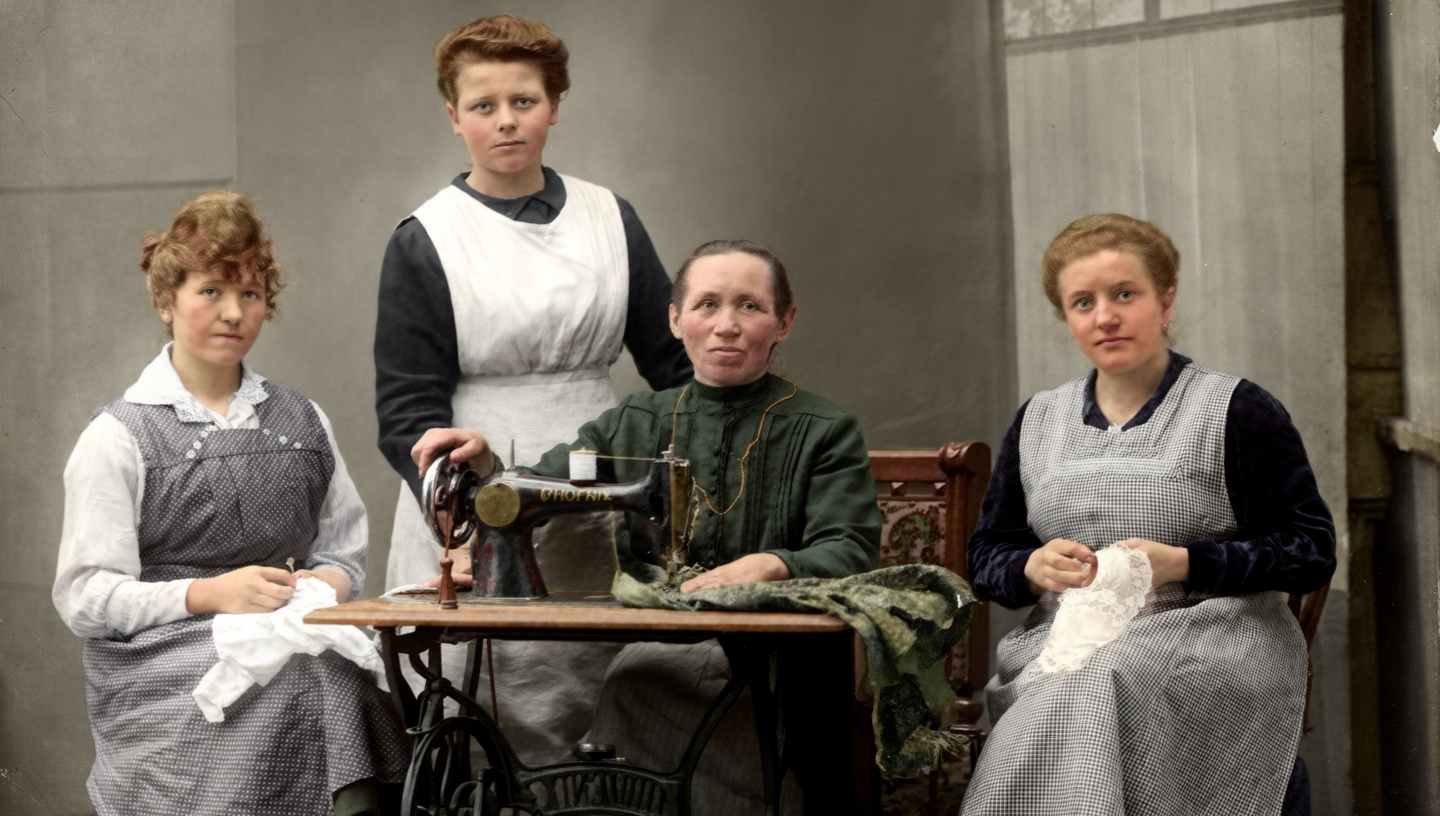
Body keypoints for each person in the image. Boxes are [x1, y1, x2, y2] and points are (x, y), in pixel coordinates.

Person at [414, 239, 882, 813]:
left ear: (784, 323)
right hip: (672, 637)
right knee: (638, 676)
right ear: (676, 320)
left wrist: (773, 564)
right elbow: (539, 482)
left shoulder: (825, 429)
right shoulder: (634, 421)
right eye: (707, 304)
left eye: (750, 306)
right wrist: (488, 468)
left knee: (638, 681)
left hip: (781, 654)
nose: (727, 325)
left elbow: (851, 548)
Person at [373, 13, 691, 764]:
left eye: (524, 101)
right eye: (483, 106)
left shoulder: (611, 218)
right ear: (454, 117)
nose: (506, 121)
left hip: (598, 474)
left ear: (555, 105)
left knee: (607, 686)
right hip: (477, 485)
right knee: (490, 700)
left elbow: (674, 367)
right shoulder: (427, 238)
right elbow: (407, 410)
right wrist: (452, 521)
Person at [960, 214, 1335, 816]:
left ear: (1167, 300)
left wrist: (1185, 562)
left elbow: (1310, 549)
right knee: (1084, 680)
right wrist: (1031, 567)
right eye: (1083, 302)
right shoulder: (1038, 420)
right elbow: (986, 555)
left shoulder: (1235, 408)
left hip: (1214, 637)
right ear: (1066, 317)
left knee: (1102, 678)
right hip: (1067, 641)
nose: (1105, 317)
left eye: (1124, 294)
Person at [53, 192, 409, 816]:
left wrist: (320, 586)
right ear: (166, 300)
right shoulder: (117, 436)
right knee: (309, 678)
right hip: (162, 660)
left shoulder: (302, 420)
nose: (233, 313)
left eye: (250, 293)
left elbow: (343, 552)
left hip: (293, 634)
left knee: (344, 671)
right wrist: (209, 594)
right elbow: (86, 597)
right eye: (211, 291)